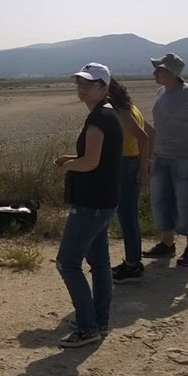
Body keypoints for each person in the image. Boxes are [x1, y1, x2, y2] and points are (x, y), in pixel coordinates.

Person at [53, 63, 123, 348]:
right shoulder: (108, 114)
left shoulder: (98, 119)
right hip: (105, 200)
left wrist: (68, 166)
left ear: (104, 87)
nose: (82, 88)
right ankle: (100, 320)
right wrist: (72, 158)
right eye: (79, 83)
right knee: (99, 262)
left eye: (89, 84)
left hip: (91, 202)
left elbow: (91, 162)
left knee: (67, 263)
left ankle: (87, 326)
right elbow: (100, 157)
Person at [143, 53, 188, 267]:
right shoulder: (161, 93)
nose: (155, 72)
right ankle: (167, 244)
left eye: (159, 69)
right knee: (161, 200)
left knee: (187, 201)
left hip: (187, 157)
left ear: (172, 72)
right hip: (161, 155)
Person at [106, 78, 152, 280]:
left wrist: (144, 167)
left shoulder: (121, 112)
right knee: (128, 216)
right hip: (128, 163)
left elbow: (144, 137)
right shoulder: (131, 108)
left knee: (127, 217)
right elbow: (152, 133)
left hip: (125, 165)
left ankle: (133, 264)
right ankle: (132, 261)